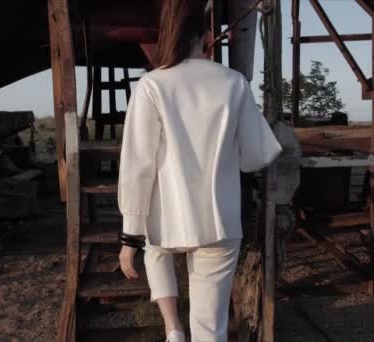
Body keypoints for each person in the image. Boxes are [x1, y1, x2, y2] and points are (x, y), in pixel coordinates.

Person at [117, 0, 282, 341]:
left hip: (168, 219)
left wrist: (129, 236)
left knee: (155, 247)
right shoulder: (233, 82)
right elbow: (255, 156)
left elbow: (138, 165)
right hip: (219, 220)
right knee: (211, 328)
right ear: (207, 37)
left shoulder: (152, 85)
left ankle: (173, 329)